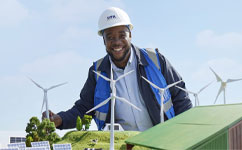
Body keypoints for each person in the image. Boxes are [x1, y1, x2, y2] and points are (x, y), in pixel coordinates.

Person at [42, 7, 192, 131]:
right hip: (121, 144)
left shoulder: (155, 60)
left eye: (122, 35)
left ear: (130, 35)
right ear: (104, 40)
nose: (117, 42)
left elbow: (181, 97)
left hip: (160, 140)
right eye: (110, 37)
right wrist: (60, 119)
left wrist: (183, 134)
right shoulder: (97, 72)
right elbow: (84, 108)